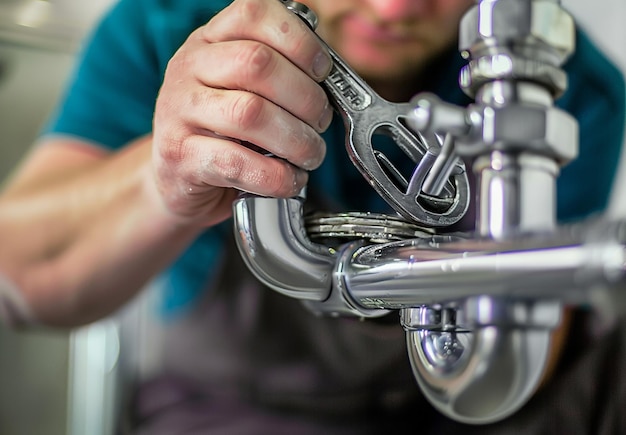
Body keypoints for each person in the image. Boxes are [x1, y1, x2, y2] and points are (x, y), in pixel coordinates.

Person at [0, 0, 625, 433]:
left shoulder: (568, 85)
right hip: (242, 409)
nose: (394, 11)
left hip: (465, 406)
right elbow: (18, 276)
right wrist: (164, 177)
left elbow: (522, 361)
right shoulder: (169, 27)